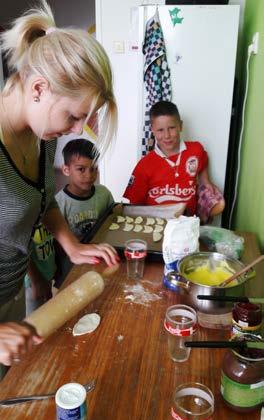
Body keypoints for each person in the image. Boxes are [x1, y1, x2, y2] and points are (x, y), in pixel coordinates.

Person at [0, 0, 118, 371]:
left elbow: (43, 200)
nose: (73, 130)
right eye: (73, 117)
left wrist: (73, 245)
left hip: (10, 295)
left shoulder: (42, 134)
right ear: (38, 88)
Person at [123, 101, 224, 223]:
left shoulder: (196, 150)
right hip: (157, 226)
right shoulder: (144, 165)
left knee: (220, 204)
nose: (167, 135)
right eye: (160, 130)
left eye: (171, 128)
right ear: (153, 130)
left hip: (188, 224)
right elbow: (135, 205)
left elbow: (203, 160)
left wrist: (205, 180)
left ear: (180, 126)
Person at [55, 138, 115, 285]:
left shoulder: (104, 194)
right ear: (66, 169)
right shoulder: (58, 204)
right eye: (81, 169)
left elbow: (113, 223)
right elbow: (56, 246)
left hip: (100, 260)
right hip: (70, 268)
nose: (89, 175)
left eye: (94, 168)